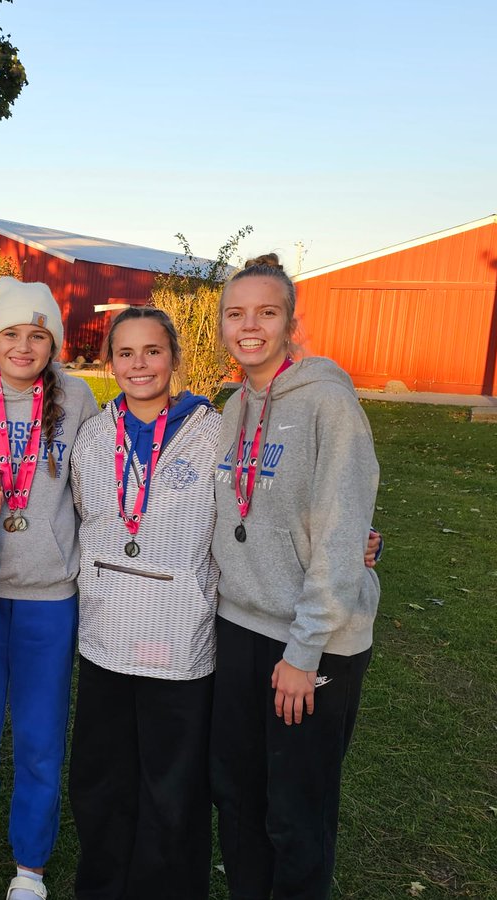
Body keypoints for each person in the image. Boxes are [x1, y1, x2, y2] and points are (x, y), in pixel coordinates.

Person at [209, 254, 380, 899]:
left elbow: (341, 528)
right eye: (236, 313)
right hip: (241, 625)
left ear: (290, 322)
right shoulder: (233, 408)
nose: (249, 325)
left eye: (266, 312)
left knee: (296, 811)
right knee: (237, 794)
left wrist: (304, 652)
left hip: (312, 640)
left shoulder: (328, 403)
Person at [0, 277, 98, 900]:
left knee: (39, 738)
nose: (24, 346)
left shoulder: (78, 396)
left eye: (38, 335)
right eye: (11, 333)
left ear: (53, 343)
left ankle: (29, 868)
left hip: (48, 595)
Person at [68, 307, 221, 899]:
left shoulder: (211, 432)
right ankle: (103, 886)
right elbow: (83, 510)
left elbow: (251, 510)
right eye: (126, 354)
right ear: (110, 363)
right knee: (102, 781)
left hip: (179, 636)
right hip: (108, 631)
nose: (139, 365)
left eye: (152, 351)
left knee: (172, 786)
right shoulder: (95, 433)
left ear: (174, 359)